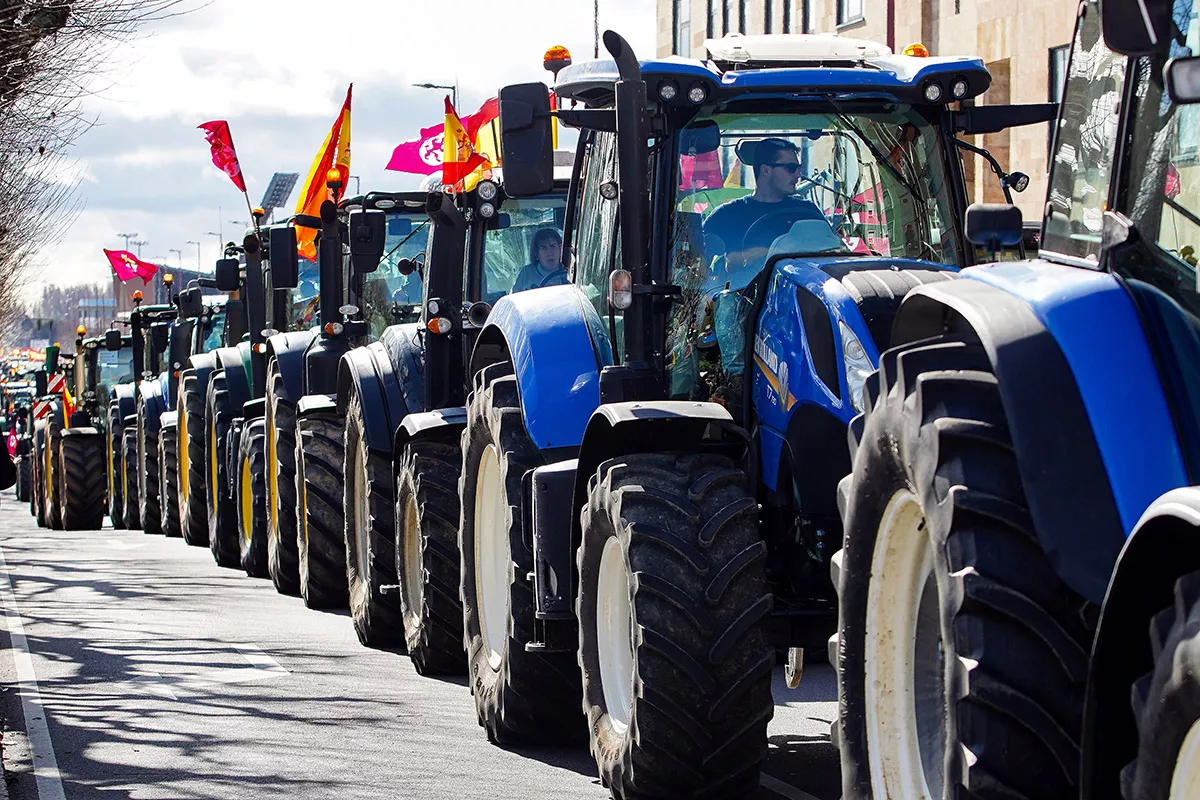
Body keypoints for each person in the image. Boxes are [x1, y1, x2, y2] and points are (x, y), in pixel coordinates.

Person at [702, 137, 826, 272]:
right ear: (766, 170)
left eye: (799, 168)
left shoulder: (807, 212)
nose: (798, 174)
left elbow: (833, 252)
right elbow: (695, 262)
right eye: (791, 168)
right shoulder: (726, 215)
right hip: (743, 291)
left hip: (801, 290)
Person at [513, 228, 568, 292]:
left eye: (553, 246)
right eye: (544, 248)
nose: (550, 253)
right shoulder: (526, 273)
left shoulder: (569, 273)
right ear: (536, 253)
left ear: (560, 248)